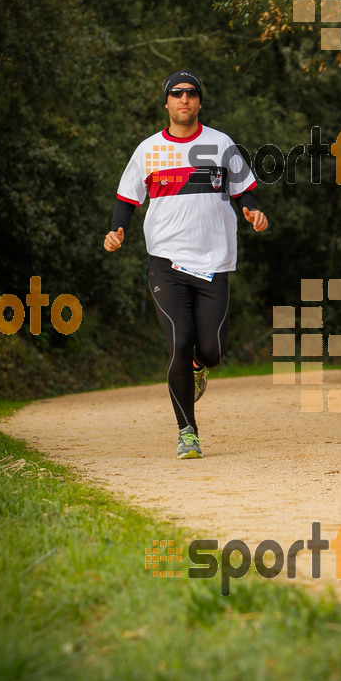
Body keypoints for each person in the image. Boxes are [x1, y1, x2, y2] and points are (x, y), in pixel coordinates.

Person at [104, 69, 268, 459]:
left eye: (191, 93)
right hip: (167, 261)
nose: (184, 99)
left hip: (215, 261)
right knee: (179, 340)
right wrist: (117, 230)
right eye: (176, 93)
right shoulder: (148, 150)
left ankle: (200, 366)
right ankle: (187, 432)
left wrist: (253, 212)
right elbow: (127, 199)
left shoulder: (221, 144)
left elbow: (244, 191)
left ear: (199, 102)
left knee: (210, 350)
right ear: (166, 102)